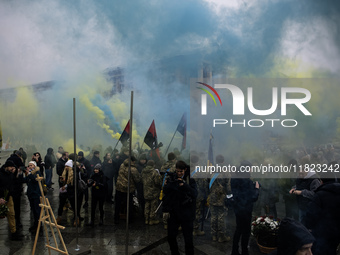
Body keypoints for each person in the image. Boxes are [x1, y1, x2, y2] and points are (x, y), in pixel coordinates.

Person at [163, 160, 197, 255]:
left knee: (188, 239)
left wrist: (184, 185)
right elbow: (166, 191)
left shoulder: (190, 178)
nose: (179, 173)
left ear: (185, 170)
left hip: (187, 213)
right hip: (174, 212)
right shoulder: (172, 177)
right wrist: (168, 184)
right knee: (171, 237)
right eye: (177, 171)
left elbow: (194, 193)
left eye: (181, 172)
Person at [305, 166, 340, 255]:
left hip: (322, 233)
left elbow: (311, 215)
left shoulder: (319, 195)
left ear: (322, 181)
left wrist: (309, 226)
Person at [230, 161, 260, 255]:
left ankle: (234, 250)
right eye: (250, 168)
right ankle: (244, 251)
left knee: (238, 229)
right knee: (246, 231)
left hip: (237, 208)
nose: (251, 170)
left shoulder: (234, 178)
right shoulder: (247, 181)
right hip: (246, 209)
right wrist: (256, 188)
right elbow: (253, 197)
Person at [289, 158, 321, 225]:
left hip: (310, 207)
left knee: (310, 224)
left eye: (302, 174)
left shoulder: (314, 180)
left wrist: (301, 192)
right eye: (299, 174)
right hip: (301, 205)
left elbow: (315, 194)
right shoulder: (300, 177)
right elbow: (298, 185)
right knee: (301, 223)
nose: (300, 176)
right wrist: (294, 188)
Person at [209, 154, 230, 242]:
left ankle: (214, 235)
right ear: (223, 161)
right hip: (222, 198)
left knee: (213, 216)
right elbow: (229, 187)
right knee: (221, 216)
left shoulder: (211, 170)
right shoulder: (226, 171)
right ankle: (221, 236)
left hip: (212, 197)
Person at [0, 160, 23, 240]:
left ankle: (14, 232)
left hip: (9, 197)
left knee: (12, 214)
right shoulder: (1, 174)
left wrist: (16, 173)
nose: (12, 169)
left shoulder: (11, 174)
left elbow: (15, 182)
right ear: (7, 167)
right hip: (1, 198)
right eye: (11, 167)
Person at [114, 156, 141, 224]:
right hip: (128, 189)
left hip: (119, 187)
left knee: (118, 204)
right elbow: (137, 179)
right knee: (129, 204)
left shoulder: (122, 165)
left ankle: (116, 218)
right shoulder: (133, 169)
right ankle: (130, 219)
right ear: (133, 161)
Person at [23, 161, 42, 233]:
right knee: (33, 210)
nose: (29, 167)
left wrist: (29, 174)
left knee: (37, 210)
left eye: (31, 165)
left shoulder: (37, 172)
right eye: (29, 165)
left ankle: (39, 225)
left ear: (34, 166)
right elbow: (25, 180)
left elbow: (35, 180)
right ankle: (35, 224)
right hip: (30, 194)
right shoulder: (30, 173)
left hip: (36, 194)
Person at [141, 160, 161, 225]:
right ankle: (152, 220)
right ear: (153, 165)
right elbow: (157, 182)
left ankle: (146, 219)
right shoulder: (155, 172)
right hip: (153, 191)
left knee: (147, 204)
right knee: (153, 205)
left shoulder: (143, 171)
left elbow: (141, 180)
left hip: (146, 191)